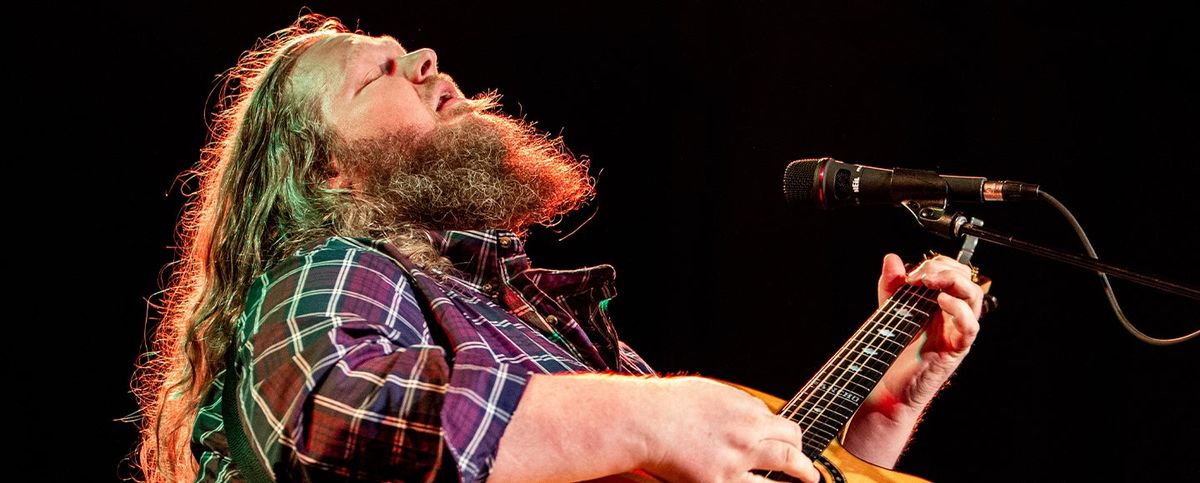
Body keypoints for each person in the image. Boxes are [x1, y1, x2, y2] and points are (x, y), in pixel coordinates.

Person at [131, 13, 985, 483]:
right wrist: (656, 414)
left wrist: (887, 408)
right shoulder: (333, 263)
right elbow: (334, 412)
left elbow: (753, 472)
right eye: (380, 71)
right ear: (330, 171)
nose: (426, 54)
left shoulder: (530, 317)